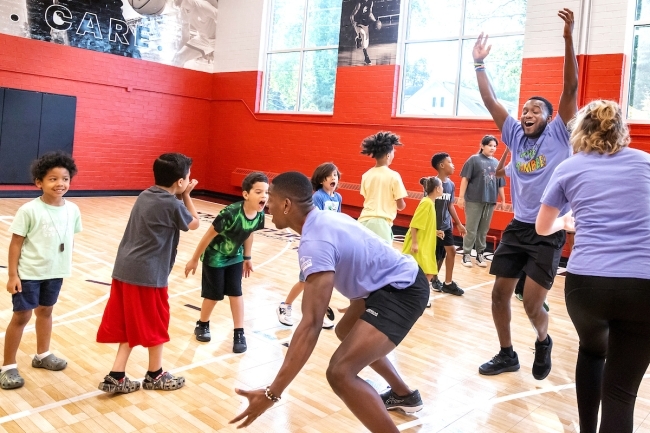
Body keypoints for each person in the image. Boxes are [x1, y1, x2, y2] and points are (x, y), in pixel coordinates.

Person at [230, 172, 428, 432]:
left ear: (287, 205)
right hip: (382, 286)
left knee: (340, 372)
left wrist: (272, 393)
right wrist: (361, 293)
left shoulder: (315, 242)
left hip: (402, 289)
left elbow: (311, 324)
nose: (268, 206)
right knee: (344, 330)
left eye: (272, 201)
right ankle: (404, 395)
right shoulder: (323, 218)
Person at [473, 8, 578, 380]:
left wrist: (567, 38)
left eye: (536, 109)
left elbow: (570, 89)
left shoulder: (559, 134)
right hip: (518, 227)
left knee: (533, 304)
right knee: (499, 294)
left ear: (551, 118)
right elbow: (491, 102)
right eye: (525, 109)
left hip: (548, 231)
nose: (528, 112)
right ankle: (506, 353)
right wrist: (479, 65)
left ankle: (543, 339)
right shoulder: (515, 135)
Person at [536, 100, 650, 433]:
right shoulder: (645, 163)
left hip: (587, 284)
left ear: (580, 131)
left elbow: (543, 227)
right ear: (621, 130)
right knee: (621, 393)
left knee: (592, 350)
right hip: (642, 284)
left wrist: (566, 222)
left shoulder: (569, 167)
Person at [96, 153, 200, 394]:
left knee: (128, 322)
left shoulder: (146, 194)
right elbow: (194, 223)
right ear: (180, 181)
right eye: (188, 178)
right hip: (148, 274)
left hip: (124, 269)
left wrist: (182, 193)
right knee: (157, 321)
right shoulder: (171, 204)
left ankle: (117, 375)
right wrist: (186, 196)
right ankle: (155, 374)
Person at [0, 152, 82, 390]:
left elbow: (69, 240)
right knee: (22, 316)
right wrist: (13, 275)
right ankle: (7, 366)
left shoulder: (73, 210)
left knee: (45, 311)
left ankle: (42, 355)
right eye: (52, 179)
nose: (60, 184)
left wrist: (65, 265)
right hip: (29, 273)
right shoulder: (29, 210)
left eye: (65, 178)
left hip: (54, 273)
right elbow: (16, 243)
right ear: (39, 182)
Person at [185, 172, 268, 353]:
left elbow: (249, 233)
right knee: (213, 296)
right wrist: (193, 260)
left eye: (266, 192)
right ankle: (203, 324)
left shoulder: (260, 216)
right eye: (258, 192)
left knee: (236, 293)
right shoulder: (230, 213)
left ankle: (239, 332)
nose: (264, 196)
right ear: (246, 194)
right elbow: (208, 236)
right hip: (215, 257)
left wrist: (247, 257)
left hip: (235, 257)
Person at [277, 163, 342, 328]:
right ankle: (285, 306)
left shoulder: (337, 198)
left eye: (335, 175)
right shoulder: (318, 197)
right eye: (329, 175)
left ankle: (318, 315)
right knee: (305, 281)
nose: (333, 178)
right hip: (316, 244)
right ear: (321, 180)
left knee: (324, 281)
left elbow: (337, 220)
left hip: (330, 245)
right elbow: (315, 220)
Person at [457, 135, 506, 268]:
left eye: (495, 146)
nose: (492, 148)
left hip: (490, 201)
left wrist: (503, 199)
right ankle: (466, 254)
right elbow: (465, 179)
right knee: (471, 229)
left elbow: (500, 183)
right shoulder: (474, 160)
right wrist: (461, 197)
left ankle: (480, 254)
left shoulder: (497, 163)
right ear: (482, 146)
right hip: (474, 200)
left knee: (483, 229)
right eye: (490, 145)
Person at [358, 131, 408, 244]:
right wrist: (401, 205)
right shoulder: (394, 176)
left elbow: (368, 197)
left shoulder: (366, 175)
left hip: (363, 221)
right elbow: (401, 205)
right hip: (381, 224)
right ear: (388, 155)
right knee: (383, 260)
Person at [402, 176, 444, 308]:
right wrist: (414, 243)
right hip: (420, 245)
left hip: (425, 244)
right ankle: (421, 297)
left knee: (427, 272)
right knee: (427, 272)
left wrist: (435, 231)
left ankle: (418, 296)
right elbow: (414, 225)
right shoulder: (426, 203)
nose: (443, 188)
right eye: (441, 186)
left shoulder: (430, 203)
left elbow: (424, 223)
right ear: (437, 189)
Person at [430, 152, 466, 296]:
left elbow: (450, 205)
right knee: (437, 255)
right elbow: (428, 205)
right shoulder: (432, 183)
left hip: (446, 226)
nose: (453, 165)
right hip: (434, 226)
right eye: (450, 162)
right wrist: (430, 227)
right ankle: (434, 278)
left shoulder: (451, 184)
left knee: (449, 251)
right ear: (442, 165)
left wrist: (459, 224)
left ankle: (448, 283)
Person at [350, 0, 377, 65]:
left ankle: (358, 38)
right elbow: (352, 15)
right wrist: (352, 22)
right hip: (358, 23)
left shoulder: (371, 2)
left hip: (366, 25)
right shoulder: (359, 3)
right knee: (363, 34)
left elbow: (370, 13)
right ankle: (366, 57)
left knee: (366, 44)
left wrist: (375, 21)